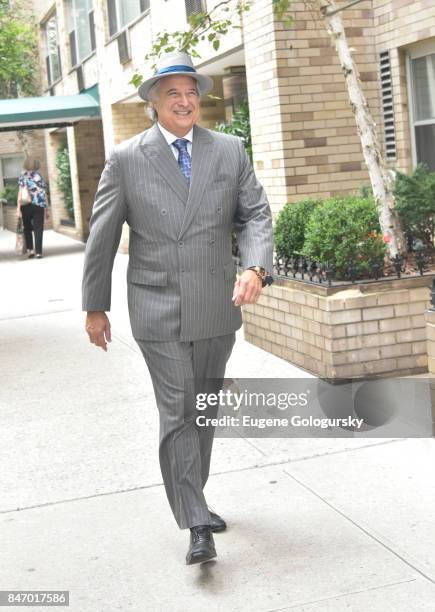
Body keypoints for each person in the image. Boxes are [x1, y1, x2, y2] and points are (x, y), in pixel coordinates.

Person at [82, 51, 274, 565]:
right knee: (177, 412)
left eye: (191, 92)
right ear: (153, 102)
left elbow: (255, 213)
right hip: (157, 305)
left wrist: (255, 267)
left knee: (202, 410)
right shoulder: (127, 158)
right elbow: (102, 237)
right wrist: (95, 306)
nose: (185, 101)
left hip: (215, 304)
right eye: (173, 93)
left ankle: (196, 497)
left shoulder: (229, 150)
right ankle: (195, 522)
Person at [16, 158, 49, 259]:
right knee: (38, 229)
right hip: (39, 205)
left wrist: (18, 208)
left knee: (27, 228)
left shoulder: (23, 176)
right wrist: (47, 209)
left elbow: (20, 193)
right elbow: (43, 193)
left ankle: (31, 250)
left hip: (26, 205)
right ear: (36, 165)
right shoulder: (39, 176)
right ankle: (39, 252)